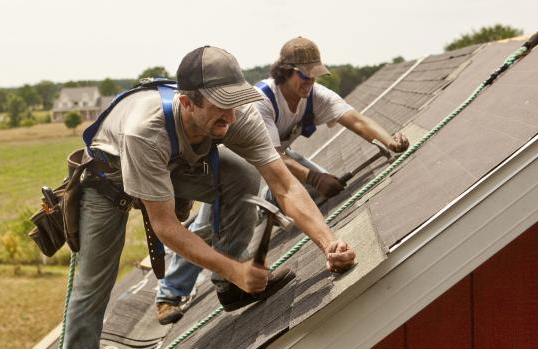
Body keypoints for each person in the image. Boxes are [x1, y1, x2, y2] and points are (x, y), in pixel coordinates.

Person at [42, 46, 356, 349]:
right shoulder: (146, 129)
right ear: (188, 102)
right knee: (91, 291)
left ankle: (230, 289)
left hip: (172, 164)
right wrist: (236, 267)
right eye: (220, 109)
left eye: (235, 105)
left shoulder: (232, 115)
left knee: (242, 176)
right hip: (109, 181)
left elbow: (284, 183)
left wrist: (330, 242)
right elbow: (167, 228)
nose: (230, 117)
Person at [155, 37, 407, 325]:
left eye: (316, 75)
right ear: (285, 71)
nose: (311, 81)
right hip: (239, 164)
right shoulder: (260, 101)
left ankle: (286, 218)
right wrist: (314, 176)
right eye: (305, 75)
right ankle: (170, 292)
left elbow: (355, 120)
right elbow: (275, 163)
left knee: (317, 187)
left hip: (275, 161)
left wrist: (389, 141)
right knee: (209, 225)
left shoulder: (315, 96)